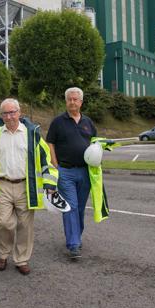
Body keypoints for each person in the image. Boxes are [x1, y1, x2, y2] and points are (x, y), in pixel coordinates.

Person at [0, 99, 58, 275]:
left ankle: (21, 259)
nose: (9, 117)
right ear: (1, 115)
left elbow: (45, 160)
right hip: (3, 186)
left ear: (19, 112)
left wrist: (49, 183)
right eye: (5, 113)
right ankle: (2, 254)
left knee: (25, 225)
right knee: (3, 223)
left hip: (25, 186)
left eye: (12, 112)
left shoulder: (32, 133)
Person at [46, 87, 97, 261]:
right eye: (69, 99)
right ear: (66, 101)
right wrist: (55, 164)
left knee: (80, 208)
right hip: (65, 172)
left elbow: (95, 143)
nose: (72, 102)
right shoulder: (58, 122)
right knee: (71, 206)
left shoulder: (88, 122)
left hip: (85, 172)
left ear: (81, 102)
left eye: (75, 99)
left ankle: (76, 236)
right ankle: (73, 244)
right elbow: (50, 143)